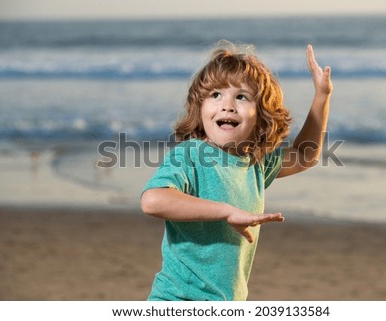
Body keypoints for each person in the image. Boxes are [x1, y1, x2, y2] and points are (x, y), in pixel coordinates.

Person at [141, 40, 332, 301]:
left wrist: (321, 96)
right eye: (215, 95)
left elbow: (305, 155)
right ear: (199, 108)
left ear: (261, 116)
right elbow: (152, 200)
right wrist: (226, 212)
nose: (227, 105)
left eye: (241, 96)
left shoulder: (255, 163)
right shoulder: (191, 155)